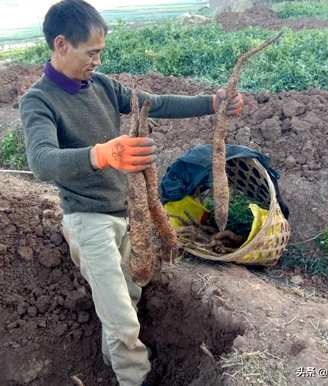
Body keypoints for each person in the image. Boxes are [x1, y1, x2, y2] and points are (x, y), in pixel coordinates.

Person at [19, 1, 244, 385]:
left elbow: (155, 102)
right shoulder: (38, 101)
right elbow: (42, 161)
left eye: (100, 53)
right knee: (122, 319)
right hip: (88, 221)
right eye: (91, 53)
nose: (97, 61)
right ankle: (133, 379)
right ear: (61, 44)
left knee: (130, 298)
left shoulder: (103, 86)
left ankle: (111, 366)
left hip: (123, 215)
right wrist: (101, 154)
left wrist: (211, 103)